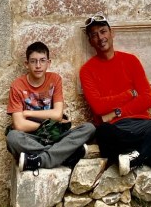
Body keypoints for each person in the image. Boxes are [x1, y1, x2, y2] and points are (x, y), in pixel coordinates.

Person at [79, 13, 151, 175]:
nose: (100, 37)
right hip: (116, 129)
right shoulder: (87, 70)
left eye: (103, 31)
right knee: (103, 131)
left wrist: (117, 112)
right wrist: (129, 94)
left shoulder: (130, 61)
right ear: (90, 41)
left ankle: (136, 156)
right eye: (94, 35)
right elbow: (99, 107)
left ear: (111, 33)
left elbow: (147, 99)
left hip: (145, 125)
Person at [6, 40, 96, 173]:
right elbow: (19, 125)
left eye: (42, 60)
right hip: (32, 138)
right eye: (33, 61)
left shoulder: (55, 79)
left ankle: (39, 160)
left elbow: (57, 115)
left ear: (49, 63)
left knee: (89, 128)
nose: (38, 65)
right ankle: (64, 154)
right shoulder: (17, 85)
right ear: (27, 64)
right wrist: (51, 124)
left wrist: (27, 113)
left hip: (55, 136)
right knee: (13, 138)